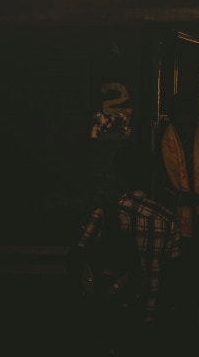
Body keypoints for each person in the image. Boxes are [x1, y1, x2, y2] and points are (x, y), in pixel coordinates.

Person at [76, 144, 181, 352]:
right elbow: (173, 273)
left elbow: (79, 258)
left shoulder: (103, 214)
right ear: (150, 176)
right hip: (148, 316)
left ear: (119, 176)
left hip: (109, 313)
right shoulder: (168, 220)